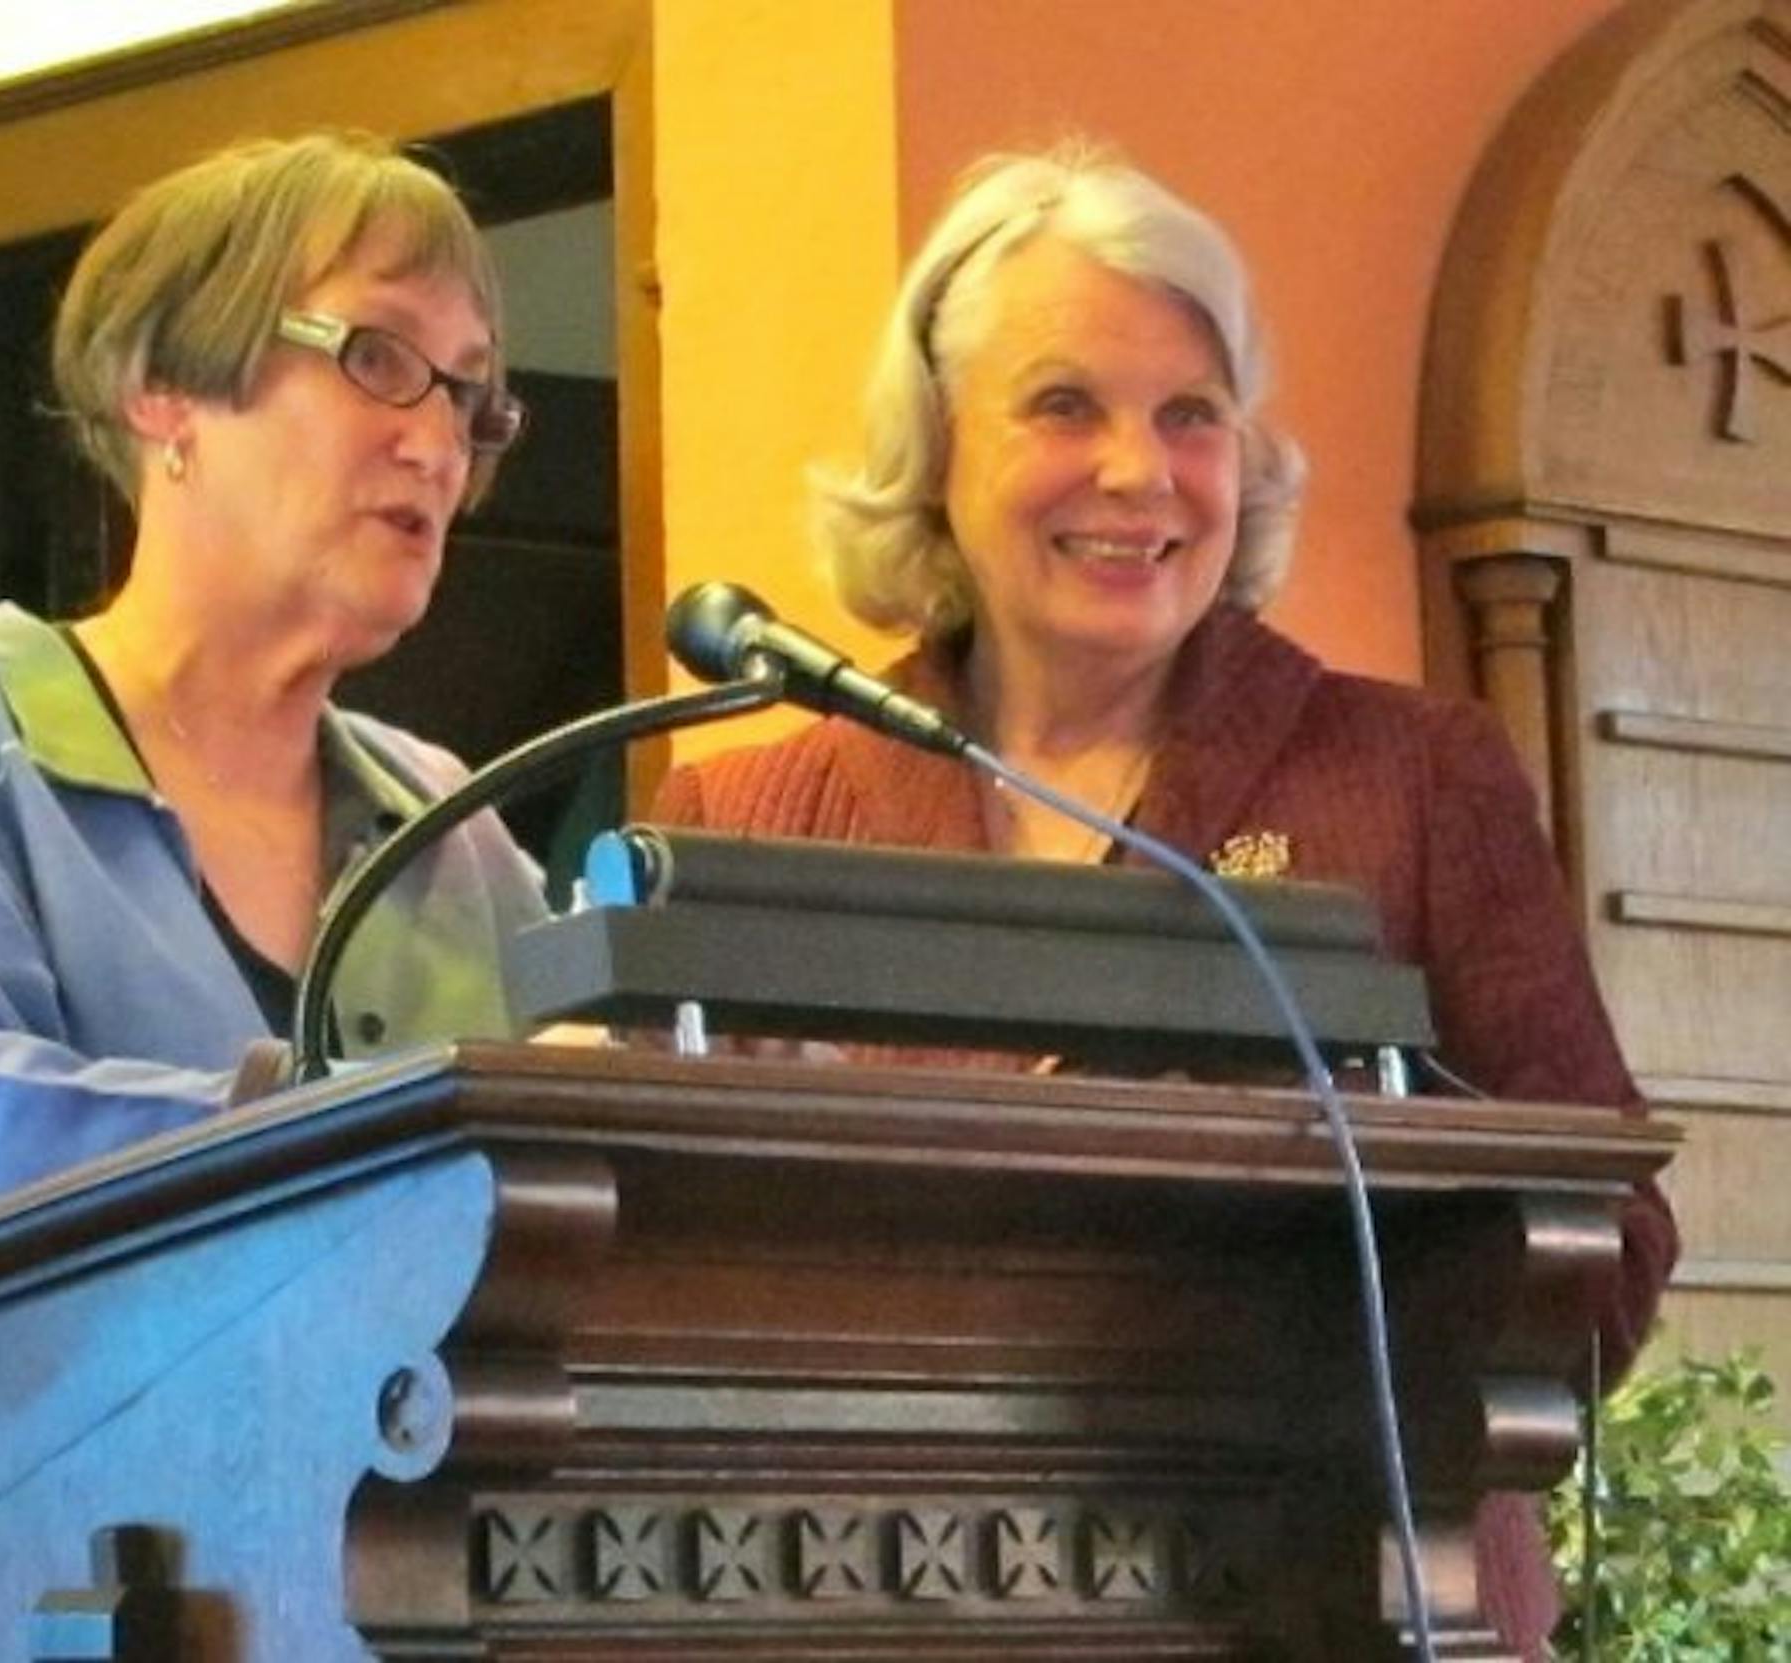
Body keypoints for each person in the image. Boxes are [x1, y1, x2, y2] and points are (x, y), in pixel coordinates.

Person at [650, 141, 1678, 1659]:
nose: (1139, 473)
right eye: (1065, 405)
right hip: (878, 1610)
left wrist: (1339, 1295)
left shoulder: (1412, 778)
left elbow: (1614, 1239)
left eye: (1191, 415)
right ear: (934, 448)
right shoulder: (747, 818)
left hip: (1342, 1602)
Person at [0, 130, 549, 1660]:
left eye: (472, 394)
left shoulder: (447, 827)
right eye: (381, 359)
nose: (439, 442)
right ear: (165, 388)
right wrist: (324, 1135)